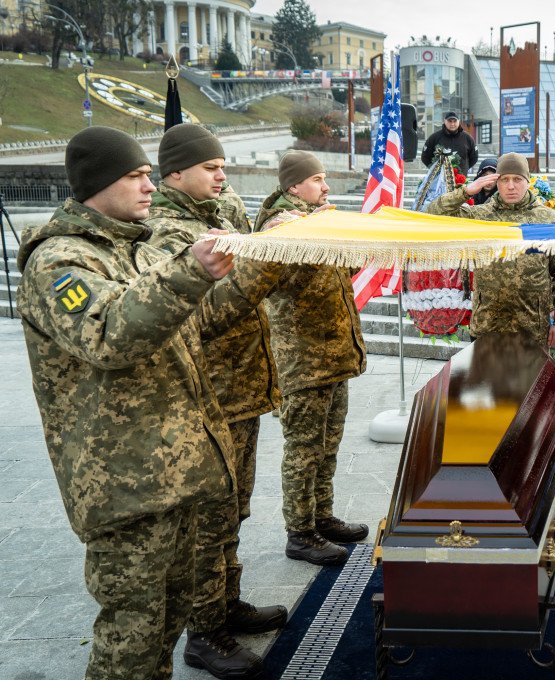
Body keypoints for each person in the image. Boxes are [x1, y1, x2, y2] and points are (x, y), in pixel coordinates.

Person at [16, 126, 278, 680]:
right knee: (132, 634)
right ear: (97, 183)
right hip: (122, 483)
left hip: (172, 468)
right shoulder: (59, 262)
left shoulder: (133, 246)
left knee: (169, 616)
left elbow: (188, 327)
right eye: (134, 176)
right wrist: (190, 272)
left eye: (146, 174)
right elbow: (109, 332)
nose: (148, 185)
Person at [145, 122, 286, 679]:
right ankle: (204, 634)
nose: (223, 175)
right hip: (210, 399)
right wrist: (268, 257)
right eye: (211, 167)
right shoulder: (168, 232)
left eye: (224, 164)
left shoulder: (218, 212)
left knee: (234, 509)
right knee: (209, 520)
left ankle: (226, 604)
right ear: (175, 173)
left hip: (241, 389)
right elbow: (205, 314)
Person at [254, 151, 371, 563]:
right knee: (303, 449)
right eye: (317, 180)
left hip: (332, 356)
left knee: (328, 444)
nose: (326, 187)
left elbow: (344, 267)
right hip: (303, 361)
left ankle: (322, 516)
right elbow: (305, 254)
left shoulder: (318, 220)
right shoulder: (283, 226)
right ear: (292, 187)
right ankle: (299, 532)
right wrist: (333, 227)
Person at [426, 152, 555, 350]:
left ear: (527, 181)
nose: (511, 186)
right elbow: (434, 213)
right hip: (487, 327)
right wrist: (466, 192)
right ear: (496, 182)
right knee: (488, 382)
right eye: (504, 179)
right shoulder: (480, 216)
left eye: (517, 179)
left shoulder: (549, 219)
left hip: (532, 328)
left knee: (529, 383)